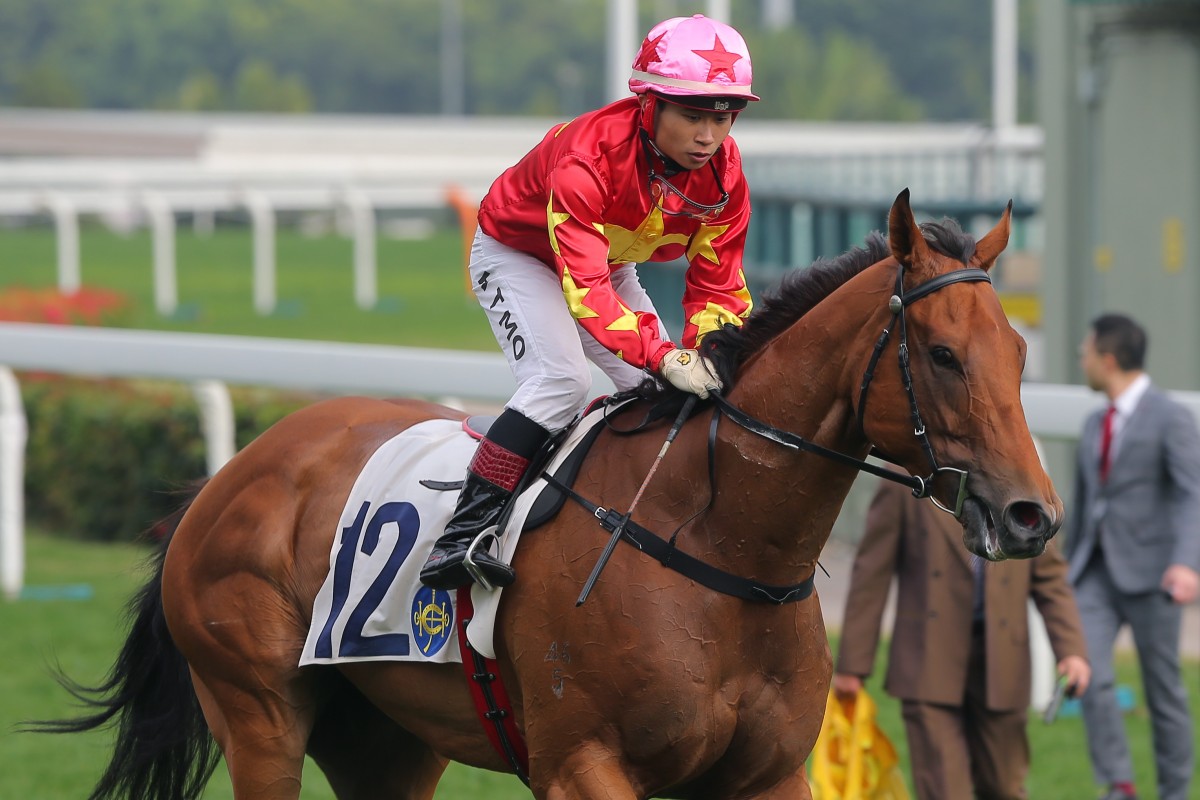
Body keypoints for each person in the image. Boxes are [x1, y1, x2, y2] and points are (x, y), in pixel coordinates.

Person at [419, 14, 758, 590]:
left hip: (606, 259)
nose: (709, 137)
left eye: (722, 118)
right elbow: (586, 291)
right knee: (562, 381)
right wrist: (662, 354)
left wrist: (707, 352)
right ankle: (462, 535)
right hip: (518, 254)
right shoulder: (587, 154)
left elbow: (719, 284)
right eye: (693, 116)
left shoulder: (725, 176)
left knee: (658, 396)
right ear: (649, 105)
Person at [832, 479, 1091, 800]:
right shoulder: (905, 477)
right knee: (944, 790)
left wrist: (1072, 651)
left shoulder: (1024, 481)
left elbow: (1051, 580)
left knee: (1004, 787)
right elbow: (872, 571)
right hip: (929, 659)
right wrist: (853, 665)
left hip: (1002, 660)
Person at [1066, 312, 1200, 800]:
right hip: (1095, 575)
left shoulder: (1171, 418)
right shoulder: (1093, 422)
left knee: (1164, 695)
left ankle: (1174, 792)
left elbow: (1193, 494)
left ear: (1108, 359)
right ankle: (1119, 786)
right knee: (1090, 677)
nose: (1080, 359)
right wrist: (1063, 571)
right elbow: (1083, 507)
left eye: (1085, 352)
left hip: (1154, 575)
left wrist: (1187, 561)